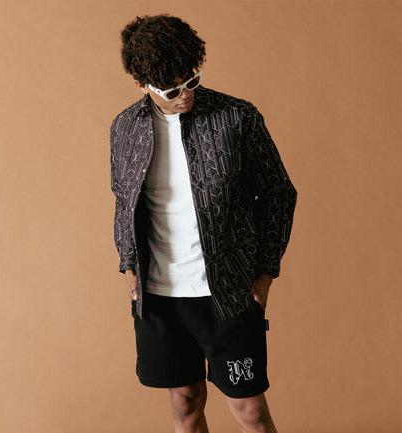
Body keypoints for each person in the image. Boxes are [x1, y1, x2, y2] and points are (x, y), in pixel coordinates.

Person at [110, 15, 297, 433]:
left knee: (250, 411)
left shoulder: (236, 117)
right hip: (160, 295)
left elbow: (278, 193)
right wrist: (128, 266)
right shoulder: (125, 129)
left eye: (192, 81)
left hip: (226, 291)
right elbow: (123, 201)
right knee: (185, 404)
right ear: (141, 84)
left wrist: (265, 272)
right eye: (172, 90)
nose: (185, 96)